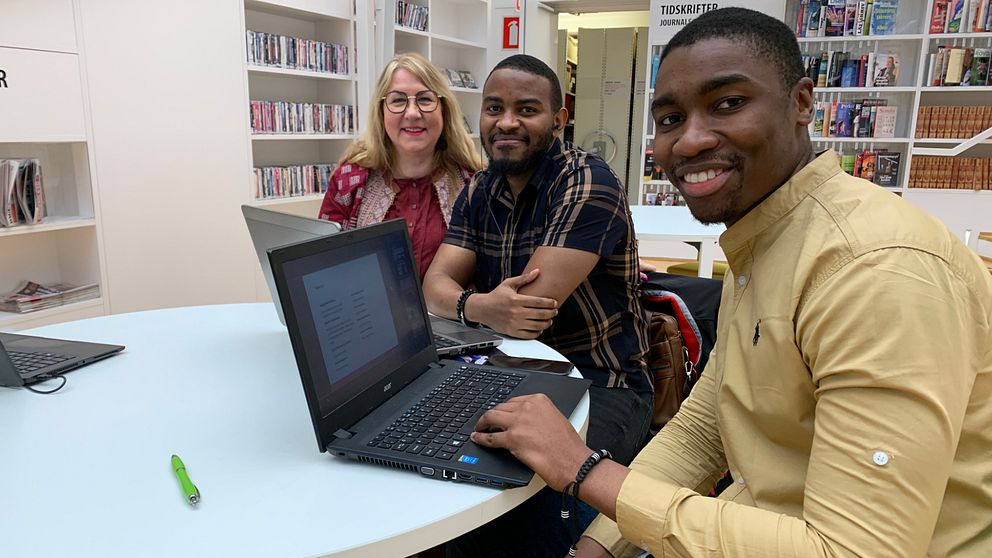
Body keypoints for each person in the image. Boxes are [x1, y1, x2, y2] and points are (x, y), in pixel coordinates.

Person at [466, 8, 992, 558]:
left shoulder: (876, 270)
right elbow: (705, 425)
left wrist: (583, 470)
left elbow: (855, 551)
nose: (690, 140)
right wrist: (598, 545)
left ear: (802, 104)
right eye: (670, 118)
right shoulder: (766, 238)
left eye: (728, 104)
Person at [422, 54, 653, 556]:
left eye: (526, 109)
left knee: (514, 490)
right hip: (507, 368)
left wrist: (466, 303)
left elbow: (529, 311)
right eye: (493, 108)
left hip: (600, 382)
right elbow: (433, 284)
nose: (506, 122)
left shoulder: (587, 181)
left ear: (558, 118)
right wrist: (481, 305)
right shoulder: (480, 187)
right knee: (432, 454)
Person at [317, 52, 482, 280]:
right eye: (398, 100)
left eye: (425, 99)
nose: (412, 113)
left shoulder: (473, 184)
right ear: (381, 112)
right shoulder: (348, 180)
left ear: (444, 109)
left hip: (450, 315)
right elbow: (323, 264)